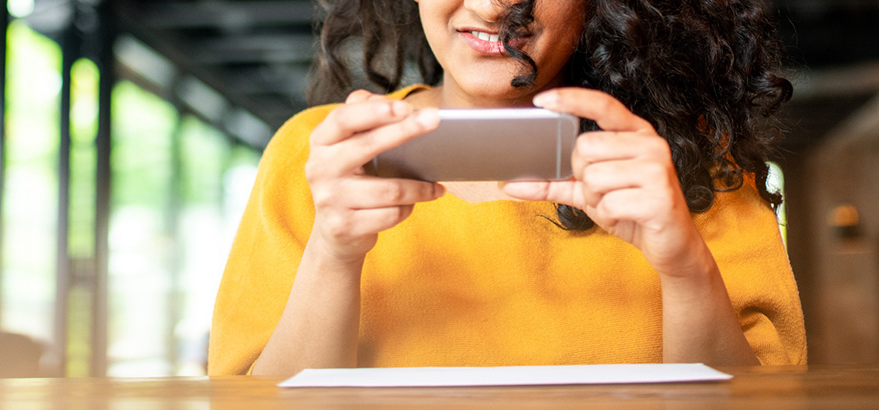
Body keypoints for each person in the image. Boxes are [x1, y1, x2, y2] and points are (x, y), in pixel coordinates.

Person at [208, 0, 806, 376]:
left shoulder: (690, 158)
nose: (497, 7)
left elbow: (764, 396)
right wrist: (332, 256)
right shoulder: (316, 153)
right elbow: (254, 394)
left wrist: (684, 267)